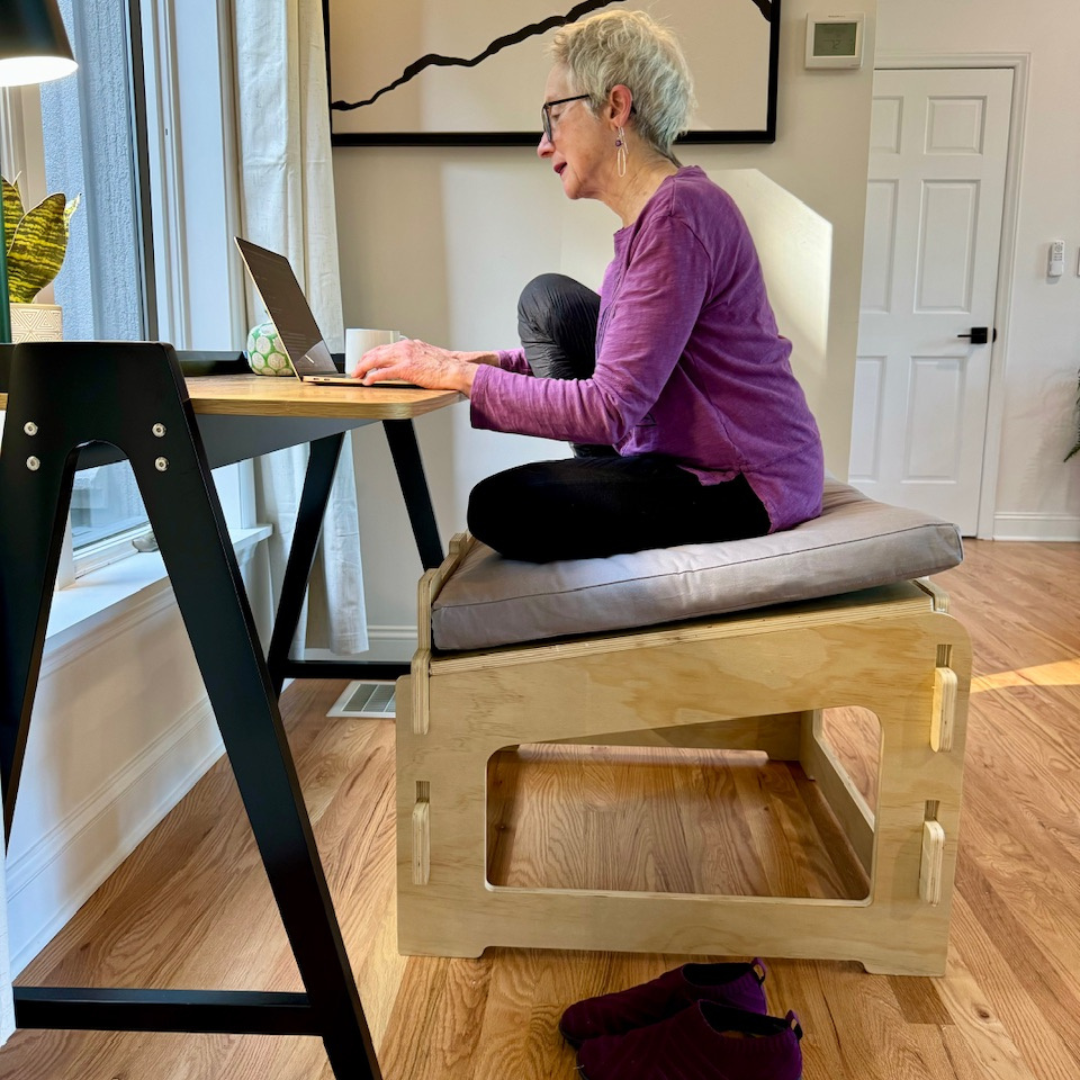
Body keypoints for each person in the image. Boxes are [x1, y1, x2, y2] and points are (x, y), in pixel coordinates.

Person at [351, 10, 824, 563]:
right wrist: (470, 362)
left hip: (745, 478)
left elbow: (609, 408)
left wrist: (458, 377)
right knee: (547, 303)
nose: (543, 144)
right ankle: (612, 478)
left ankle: (611, 481)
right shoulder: (657, 219)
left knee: (502, 505)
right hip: (684, 453)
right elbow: (626, 362)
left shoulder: (678, 217)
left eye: (554, 115)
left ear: (615, 108)